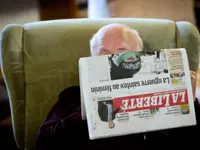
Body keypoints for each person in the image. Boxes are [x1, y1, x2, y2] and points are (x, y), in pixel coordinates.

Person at [36, 23, 200, 150]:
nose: (114, 60)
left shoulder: (162, 93)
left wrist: (189, 100)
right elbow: (44, 142)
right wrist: (86, 112)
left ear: (141, 58)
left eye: (123, 52)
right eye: (104, 54)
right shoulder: (72, 96)